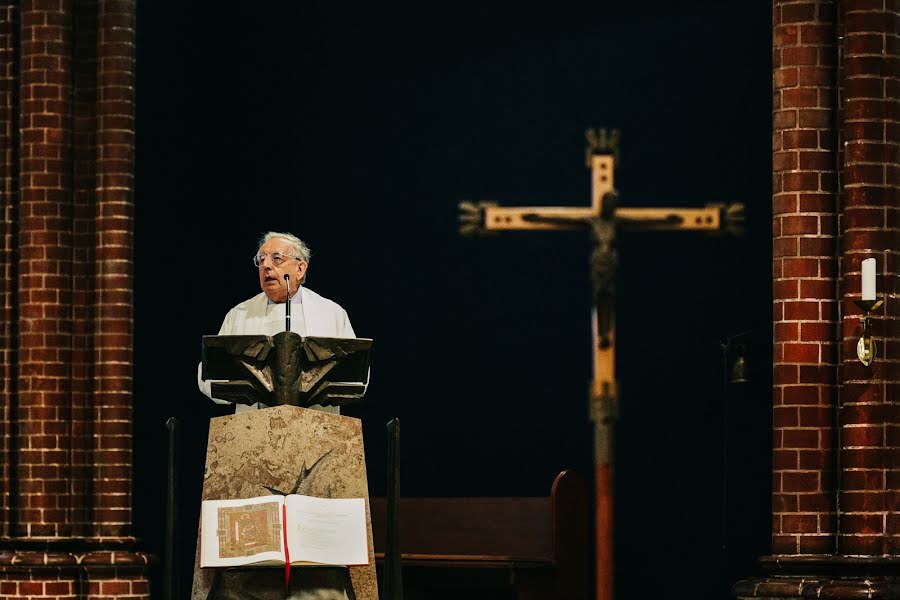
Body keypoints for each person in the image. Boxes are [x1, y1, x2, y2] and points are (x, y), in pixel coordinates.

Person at [197, 231, 357, 414]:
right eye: (261, 259)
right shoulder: (240, 314)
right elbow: (208, 375)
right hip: (253, 426)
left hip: (317, 426)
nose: (266, 265)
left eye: (276, 258)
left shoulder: (331, 313)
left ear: (300, 269)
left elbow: (356, 375)